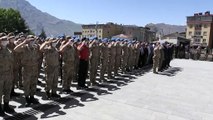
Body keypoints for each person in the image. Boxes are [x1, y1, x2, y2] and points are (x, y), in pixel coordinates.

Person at [14, 35, 40, 106]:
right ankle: (27, 98)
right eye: (30, 39)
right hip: (26, 69)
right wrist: (23, 43)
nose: (32, 41)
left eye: (33, 39)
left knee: (33, 83)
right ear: (27, 40)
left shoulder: (35, 47)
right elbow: (15, 49)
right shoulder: (24, 48)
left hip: (34, 69)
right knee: (26, 84)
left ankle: (32, 97)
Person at [0, 36, 15, 116]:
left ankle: (6, 105)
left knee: (7, 91)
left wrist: (11, 74)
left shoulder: (9, 51)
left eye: (6, 40)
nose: (5, 41)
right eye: (3, 40)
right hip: (1, 75)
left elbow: (11, 63)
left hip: (8, 74)